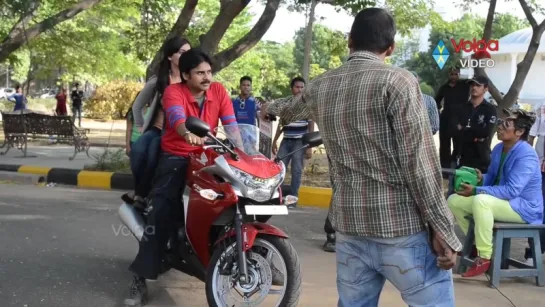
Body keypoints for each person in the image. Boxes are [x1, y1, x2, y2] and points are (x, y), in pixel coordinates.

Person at [260, 8, 461, 306]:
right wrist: (443, 229)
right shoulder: (399, 82)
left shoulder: (322, 85)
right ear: (390, 48)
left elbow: (288, 108)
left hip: (350, 229)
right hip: (399, 227)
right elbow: (420, 164)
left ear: (349, 41)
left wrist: (266, 107)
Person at [124, 48, 238, 307]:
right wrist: (186, 131)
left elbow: (231, 124)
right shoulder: (173, 91)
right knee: (162, 208)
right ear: (186, 75)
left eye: (209, 72)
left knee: (238, 196)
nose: (207, 77)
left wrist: (242, 150)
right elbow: (176, 116)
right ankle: (140, 278)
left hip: (208, 157)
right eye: (200, 73)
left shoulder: (219, 91)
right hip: (177, 155)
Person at [447, 109, 543, 277]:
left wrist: (476, 190)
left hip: (523, 207)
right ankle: (476, 246)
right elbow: (492, 177)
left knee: (481, 200)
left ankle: (484, 257)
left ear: (519, 132)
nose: (499, 127)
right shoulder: (499, 148)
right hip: (503, 202)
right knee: (454, 200)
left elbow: (512, 190)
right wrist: (480, 179)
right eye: (500, 123)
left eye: (506, 125)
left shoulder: (526, 154)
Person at [123, 37, 192, 210]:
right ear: (170, 56)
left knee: (154, 152)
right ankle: (139, 192)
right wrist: (141, 127)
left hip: (177, 132)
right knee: (138, 151)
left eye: (188, 53)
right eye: (181, 52)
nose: (186, 56)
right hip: (156, 130)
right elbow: (137, 106)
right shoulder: (159, 80)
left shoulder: (190, 80)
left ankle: (142, 195)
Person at [272, 77, 313, 208]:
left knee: (296, 171)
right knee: (279, 170)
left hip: (299, 142)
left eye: (302, 87)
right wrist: (274, 141)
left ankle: (292, 200)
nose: (299, 89)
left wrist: (309, 146)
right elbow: (281, 124)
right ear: (292, 88)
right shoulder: (286, 104)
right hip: (286, 140)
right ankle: (276, 198)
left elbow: (311, 124)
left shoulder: (307, 105)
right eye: (297, 87)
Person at [455, 76, 497, 173]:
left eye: (478, 85)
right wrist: (475, 131)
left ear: (485, 89)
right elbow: (455, 129)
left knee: (479, 186)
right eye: (472, 85)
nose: (474, 87)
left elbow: (486, 132)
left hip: (481, 155)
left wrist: (465, 128)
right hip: (462, 154)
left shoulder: (490, 109)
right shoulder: (462, 107)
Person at [435, 67, 470, 169]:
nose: (454, 76)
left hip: (459, 119)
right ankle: (444, 168)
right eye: (452, 74)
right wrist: (438, 113)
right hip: (446, 119)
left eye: (456, 74)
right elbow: (436, 101)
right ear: (448, 75)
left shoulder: (465, 86)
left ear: (459, 74)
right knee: (444, 145)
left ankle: (456, 166)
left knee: (458, 145)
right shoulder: (444, 88)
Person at [524, 101, 545, 265]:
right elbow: (532, 135)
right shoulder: (542, 105)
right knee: (540, 212)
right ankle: (534, 253)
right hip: (540, 169)